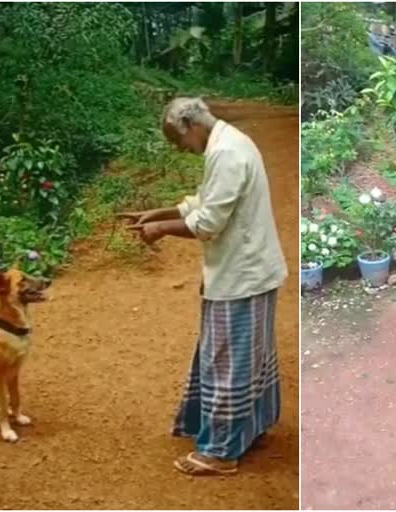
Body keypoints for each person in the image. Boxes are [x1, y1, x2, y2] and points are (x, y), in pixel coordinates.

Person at [118, 97, 287, 476]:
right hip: (248, 272)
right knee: (245, 356)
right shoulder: (228, 142)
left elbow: (208, 221)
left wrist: (159, 230)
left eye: (179, 142)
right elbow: (204, 200)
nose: (182, 150)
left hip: (243, 275)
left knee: (227, 360)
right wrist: (159, 213)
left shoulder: (226, 153)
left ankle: (221, 452)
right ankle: (247, 429)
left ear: (189, 126)